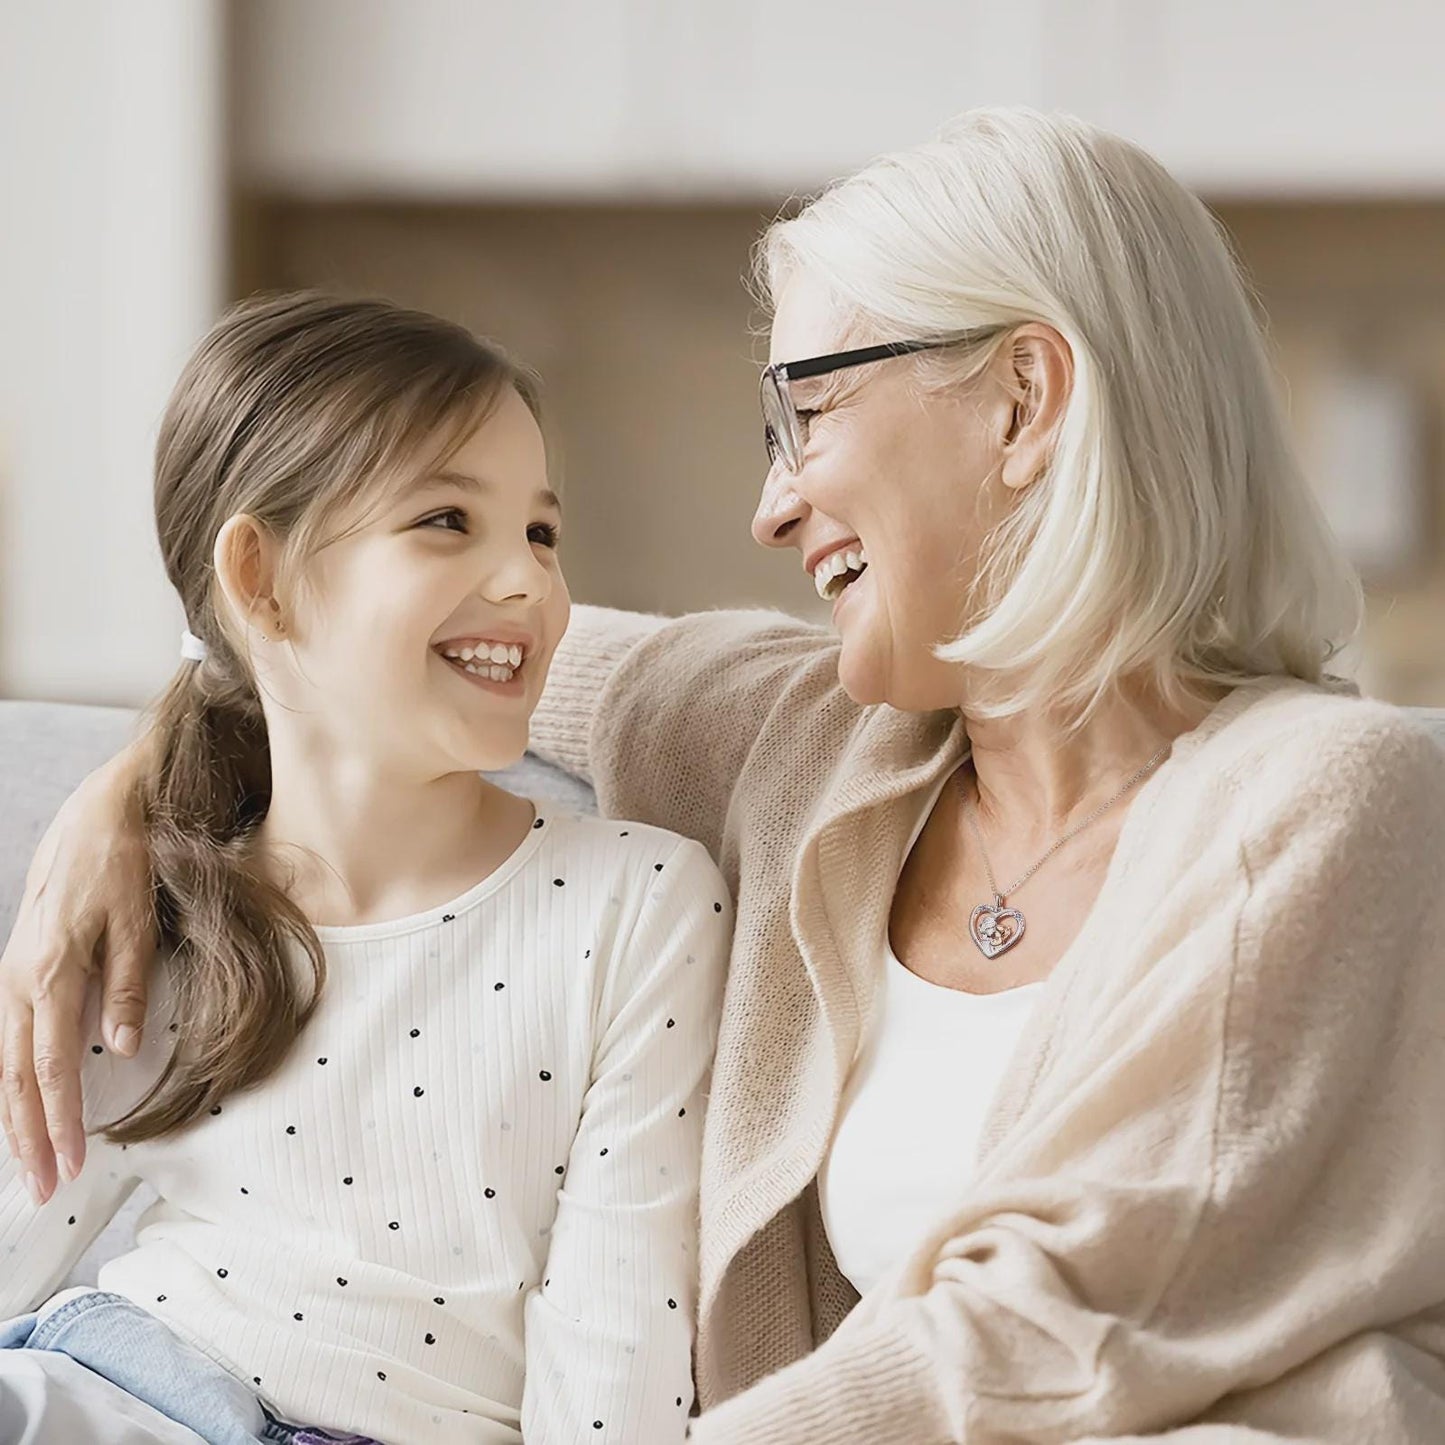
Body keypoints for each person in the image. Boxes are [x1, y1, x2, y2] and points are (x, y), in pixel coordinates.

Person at [7, 108, 1445, 1444]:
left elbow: (1049, 1323)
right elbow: (357, 645)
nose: (769, 507)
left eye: (803, 417)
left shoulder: (1324, 800)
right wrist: (127, 786)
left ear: (1022, 397)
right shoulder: (802, 743)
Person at [0, 292, 730, 1444]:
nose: (527, 582)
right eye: (447, 518)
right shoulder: (154, 908)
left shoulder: (636, 901)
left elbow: (618, 1347)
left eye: (541, 532)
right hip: (116, 1385)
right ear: (261, 577)